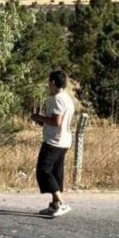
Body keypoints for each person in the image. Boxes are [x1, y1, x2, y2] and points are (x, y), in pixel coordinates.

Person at [30, 70, 76, 218]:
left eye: (49, 81)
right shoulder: (67, 98)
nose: (48, 84)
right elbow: (53, 121)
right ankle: (55, 204)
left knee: (43, 171)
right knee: (56, 173)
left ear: (53, 83)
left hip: (53, 141)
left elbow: (56, 122)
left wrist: (39, 117)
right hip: (64, 140)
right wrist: (40, 119)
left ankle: (62, 203)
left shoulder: (56, 99)